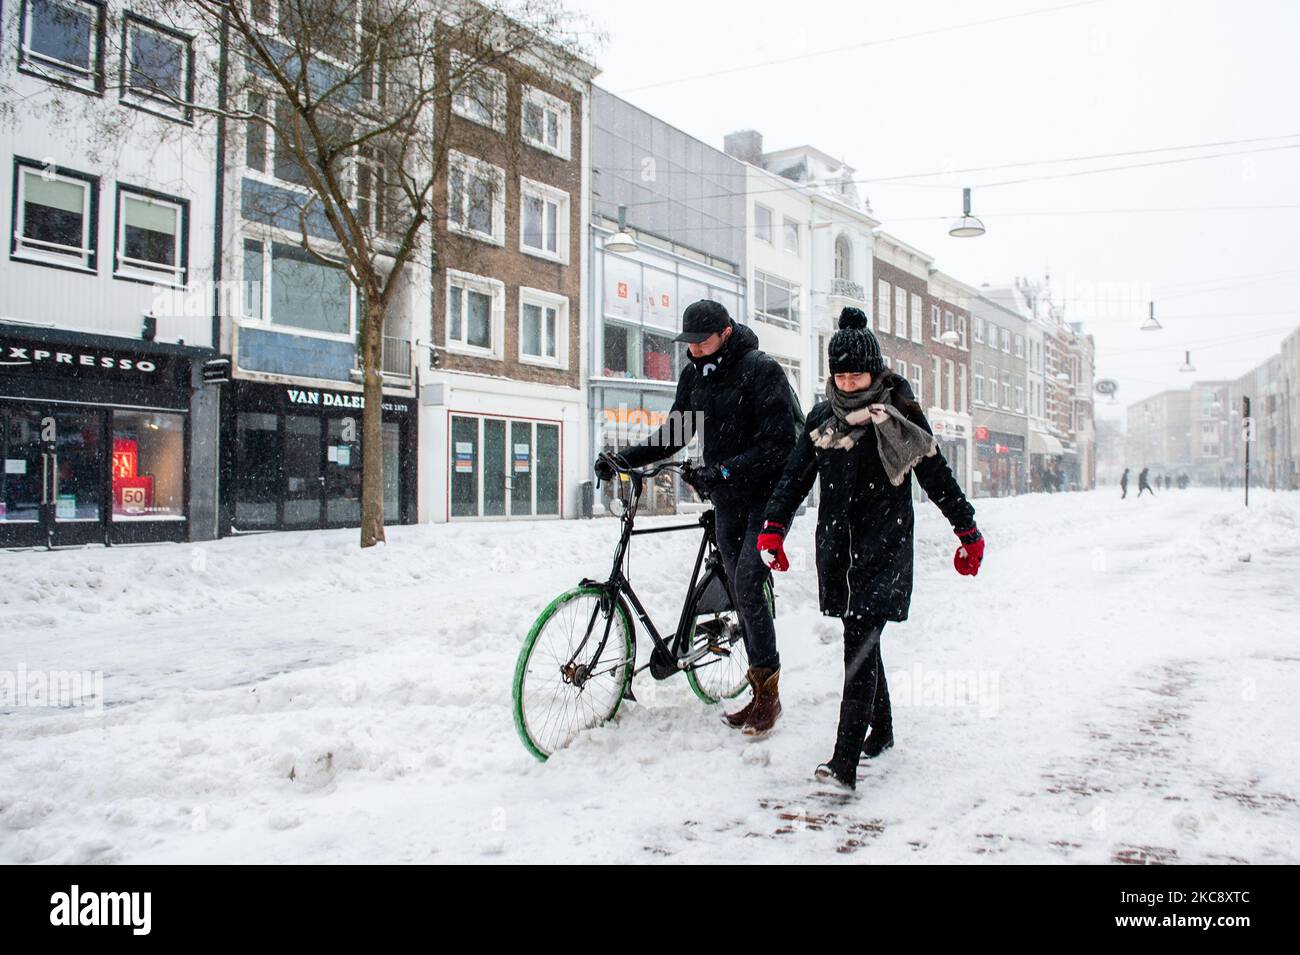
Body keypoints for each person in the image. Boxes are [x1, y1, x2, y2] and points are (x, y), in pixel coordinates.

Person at [756, 308, 982, 791]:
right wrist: (773, 527)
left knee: (856, 647)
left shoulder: (900, 418)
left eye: (857, 372)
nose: (849, 381)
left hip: (884, 548)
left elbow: (936, 476)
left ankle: (844, 762)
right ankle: (881, 730)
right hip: (838, 549)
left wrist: (968, 530)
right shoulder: (822, 419)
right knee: (863, 640)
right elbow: (795, 479)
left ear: (875, 371)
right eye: (840, 373)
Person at [593, 300, 798, 737]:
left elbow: (780, 445)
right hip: (728, 498)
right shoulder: (694, 375)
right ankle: (744, 665)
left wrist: (725, 468)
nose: (695, 351)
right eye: (689, 344)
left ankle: (768, 696)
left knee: (746, 581)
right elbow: (674, 434)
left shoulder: (761, 370)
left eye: (702, 342)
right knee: (736, 583)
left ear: (725, 333)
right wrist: (621, 458)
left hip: (767, 496)